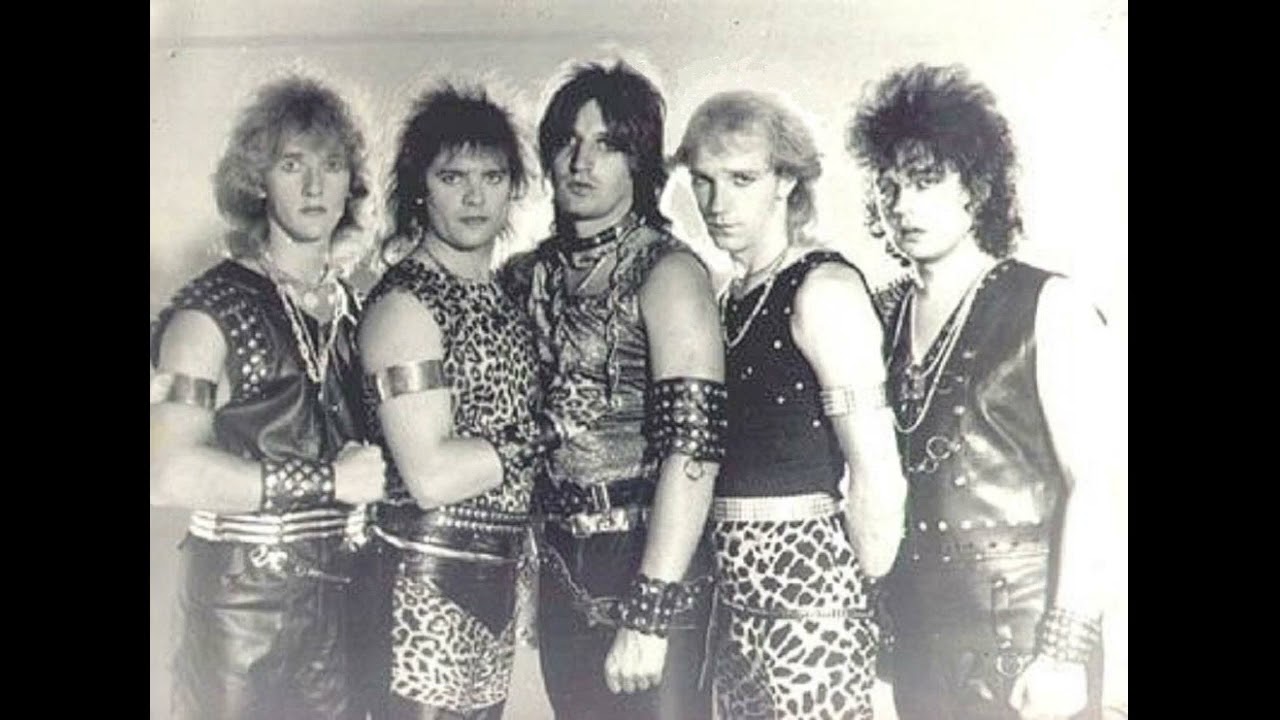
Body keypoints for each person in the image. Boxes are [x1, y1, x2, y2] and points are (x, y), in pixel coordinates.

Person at [846, 63, 1120, 720]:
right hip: (917, 657)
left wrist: (1062, 655)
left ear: (978, 187)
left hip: (1026, 655)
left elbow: (1102, 484)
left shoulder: (1050, 304)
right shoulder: (876, 316)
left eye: (925, 181)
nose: (903, 206)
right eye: (890, 186)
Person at [149, 74, 386, 719]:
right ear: (258, 180)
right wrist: (328, 482)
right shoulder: (209, 311)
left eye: (331, 166)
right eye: (291, 165)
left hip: (343, 604)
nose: (314, 186)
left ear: (351, 184)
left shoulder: (359, 311)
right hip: (240, 612)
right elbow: (166, 472)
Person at [671, 90, 907, 719]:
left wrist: (866, 611)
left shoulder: (823, 288)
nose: (717, 203)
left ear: (786, 181)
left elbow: (878, 473)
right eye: (704, 181)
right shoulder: (725, 298)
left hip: (814, 603)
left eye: (741, 179)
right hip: (736, 604)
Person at [501, 60, 724, 719]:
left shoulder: (667, 270)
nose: (582, 161)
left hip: (649, 565)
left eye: (607, 144)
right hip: (562, 571)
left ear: (639, 162)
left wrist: (650, 612)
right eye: (569, 142)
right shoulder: (525, 275)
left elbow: (695, 451)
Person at [357, 84, 545, 720]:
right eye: (452, 177)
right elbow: (432, 478)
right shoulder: (405, 305)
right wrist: (552, 428)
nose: (474, 197)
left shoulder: (502, 296)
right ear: (420, 188)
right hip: (420, 586)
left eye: (492, 177)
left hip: (493, 585)